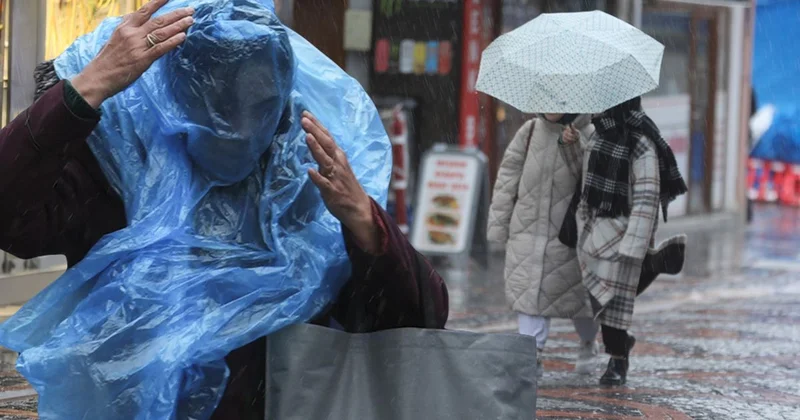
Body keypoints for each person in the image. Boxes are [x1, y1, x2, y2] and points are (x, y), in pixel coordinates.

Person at [0, 1, 448, 418]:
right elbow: (12, 220)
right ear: (174, 98)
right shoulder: (117, 168)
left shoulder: (303, 178)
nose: (240, 127)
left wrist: (365, 223)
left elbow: (414, 320)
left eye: (262, 105)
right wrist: (88, 89)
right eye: (220, 104)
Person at [560, 97, 687, 386]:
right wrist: (572, 145)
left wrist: (634, 244)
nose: (597, 107)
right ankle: (654, 265)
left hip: (624, 227)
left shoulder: (641, 142)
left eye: (603, 102)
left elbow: (646, 198)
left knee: (613, 301)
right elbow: (583, 176)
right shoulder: (597, 134)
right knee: (599, 295)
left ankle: (618, 361)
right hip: (592, 228)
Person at [488, 113, 599, 378]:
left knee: (577, 299)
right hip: (526, 230)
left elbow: (593, 182)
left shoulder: (590, 133)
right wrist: (498, 225)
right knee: (529, 296)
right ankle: (531, 353)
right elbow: (507, 180)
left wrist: (574, 147)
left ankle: (588, 342)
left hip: (568, 234)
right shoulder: (529, 131)